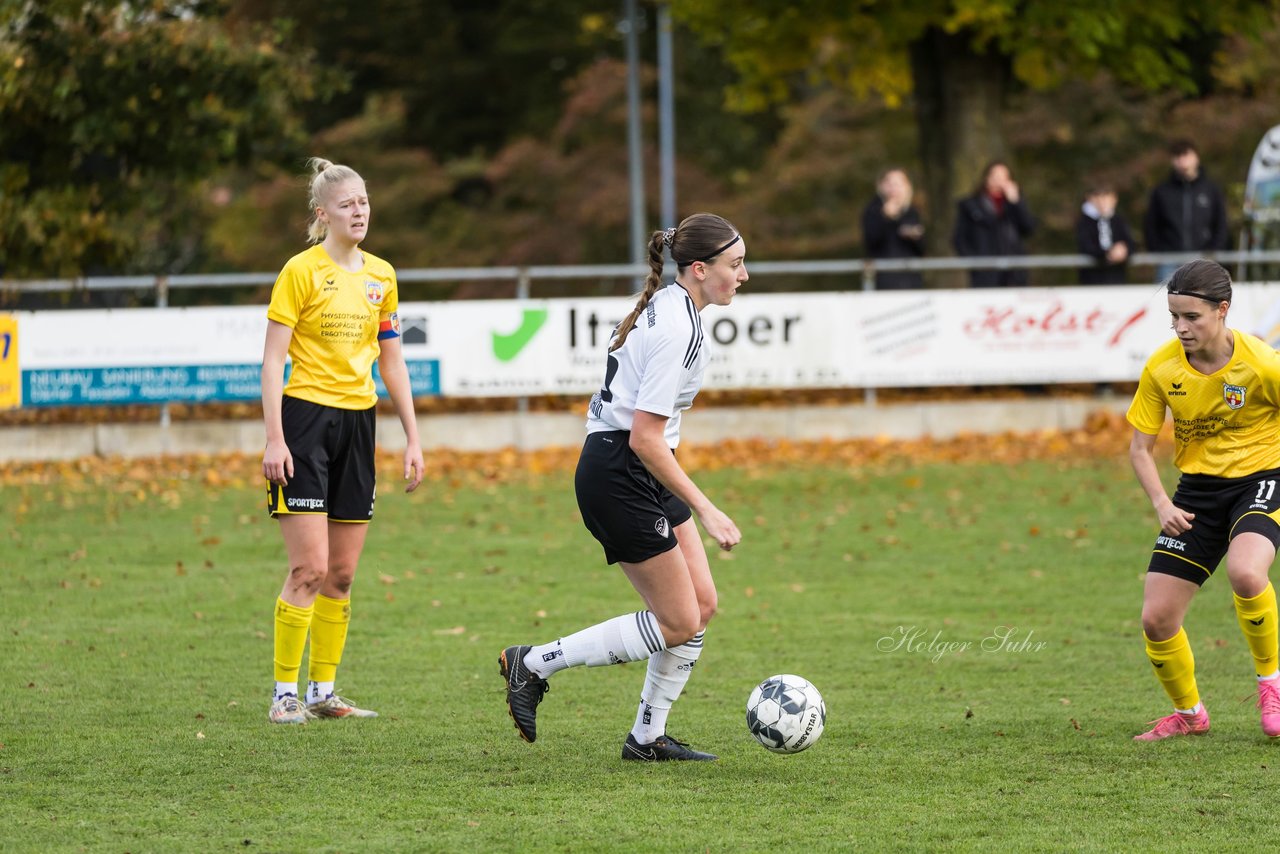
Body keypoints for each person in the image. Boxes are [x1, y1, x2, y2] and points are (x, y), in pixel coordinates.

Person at [498, 213, 746, 761]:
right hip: (620, 472)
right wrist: (707, 508)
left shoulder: (672, 304)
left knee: (701, 606)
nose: (743, 275)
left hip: (639, 468)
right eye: (735, 264)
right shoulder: (678, 324)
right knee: (678, 620)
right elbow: (644, 438)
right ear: (700, 269)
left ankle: (647, 737)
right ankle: (532, 663)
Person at [260, 157, 425, 725]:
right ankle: (284, 694)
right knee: (308, 568)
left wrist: (412, 437)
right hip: (304, 423)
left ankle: (322, 693)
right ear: (322, 213)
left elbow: (393, 361)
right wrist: (275, 439)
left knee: (343, 575)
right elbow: (272, 360)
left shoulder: (382, 275)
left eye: (364, 201)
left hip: (360, 424)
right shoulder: (299, 272)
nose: (359, 211)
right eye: (347, 204)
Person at [1126, 259, 1280, 741]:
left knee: (1247, 571)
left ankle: (1271, 686)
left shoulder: (1262, 363)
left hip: (1261, 478)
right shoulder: (1162, 367)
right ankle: (1190, 715)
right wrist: (1161, 505)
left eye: (1191, 317)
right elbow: (1140, 448)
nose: (1180, 327)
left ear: (1222, 310)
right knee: (1156, 618)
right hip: (1196, 493)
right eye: (1174, 316)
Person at [1144, 140, 1230, 282]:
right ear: (1173, 161)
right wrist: (1159, 252)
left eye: (1187, 155)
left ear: (1196, 158)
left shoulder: (1211, 190)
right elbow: (1151, 225)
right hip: (1169, 261)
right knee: (1166, 300)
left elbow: (1221, 223)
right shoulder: (1162, 192)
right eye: (1178, 157)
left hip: (1204, 259)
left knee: (1203, 300)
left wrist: (1213, 251)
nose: (1183, 161)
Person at [952, 160, 1035, 287]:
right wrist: (975, 263)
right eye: (995, 177)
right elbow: (959, 239)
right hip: (985, 273)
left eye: (1003, 178)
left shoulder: (1014, 204)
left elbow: (1028, 228)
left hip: (1014, 273)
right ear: (986, 178)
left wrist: (1016, 203)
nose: (999, 182)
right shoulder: (970, 206)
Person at [861, 167, 925, 289]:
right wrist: (885, 218)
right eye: (889, 183)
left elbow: (923, 249)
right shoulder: (872, 211)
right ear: (881, 186)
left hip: (911, 278)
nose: (893, 188)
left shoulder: (912, 212)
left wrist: (914, 236)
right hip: (883, 278)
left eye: (898, 184)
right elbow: (871, 241)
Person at [1075, 184, 1135, 285]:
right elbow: (1086, 246)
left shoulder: (1118, 220)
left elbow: (1131, 243)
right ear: (1090, 199)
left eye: (1106, 198)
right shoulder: (1084, 222)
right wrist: (1107, 254)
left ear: (1114, 199)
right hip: (1091, 279)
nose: (1102, 203)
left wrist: (1124, 250)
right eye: (1098, 198)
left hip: (1117, 276)